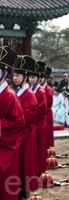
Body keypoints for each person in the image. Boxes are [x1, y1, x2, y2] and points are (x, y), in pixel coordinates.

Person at [12, 55, 40, 198]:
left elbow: (27, 118)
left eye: (18, 75)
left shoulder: (29, 95)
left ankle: (24, 192)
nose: (15, 78)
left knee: (25, 164)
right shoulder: (16, 92)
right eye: (14, 75)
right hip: (17, 135)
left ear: (25, 77)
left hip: (26, 135)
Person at [0, 46, 25, 200]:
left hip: (5, 148)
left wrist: (1, 126)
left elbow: (18, 122)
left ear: (4, 73)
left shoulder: (9, 95)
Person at [29, 60, 48, 175]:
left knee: (39, 146)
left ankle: (40, 168)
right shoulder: (30, 89)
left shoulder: (40, 91)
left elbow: (42, 109)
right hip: (33, 123)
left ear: (37, 78)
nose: (32, 79)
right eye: (30, 77)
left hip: (39, 123)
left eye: (34, 77)